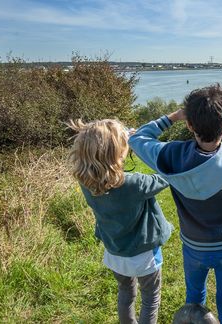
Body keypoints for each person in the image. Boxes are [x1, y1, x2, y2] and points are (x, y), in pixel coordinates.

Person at [128, 84, 222, 324]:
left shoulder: (169, 156)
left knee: (194, 299)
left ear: (189, 125)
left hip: (194, 246)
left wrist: (174, 116)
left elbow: (137, 138)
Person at [68, 119, 173, 324]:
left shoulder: (85, 181)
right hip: (144, 255)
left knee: (126, 292)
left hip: (115, 252)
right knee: (150, 297)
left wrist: (123, 136)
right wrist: (138, 142)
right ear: (118, 152)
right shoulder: (136, 183)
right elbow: (166, 176)